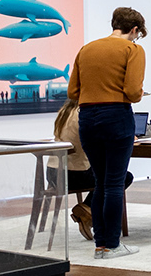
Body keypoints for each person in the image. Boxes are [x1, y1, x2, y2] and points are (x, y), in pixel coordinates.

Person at [67, 7, 148, 259]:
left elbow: (72, 92)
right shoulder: (133, 50)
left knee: (100, 182)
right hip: (116, 116)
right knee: (114, 183)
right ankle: (111, 245)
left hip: (87, 117)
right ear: (134, 29)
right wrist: (136, 94)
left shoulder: (87, 49)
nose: (137, 38)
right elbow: (133, 91)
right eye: (138, 34)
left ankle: (101, 245)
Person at [52, 97, 131, 242]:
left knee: (105, 175)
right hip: (75, 174)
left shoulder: (63, 112)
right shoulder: (84, 114)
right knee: (122, 177)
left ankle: (87, 211)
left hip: (53, 172)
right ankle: (87, 210)